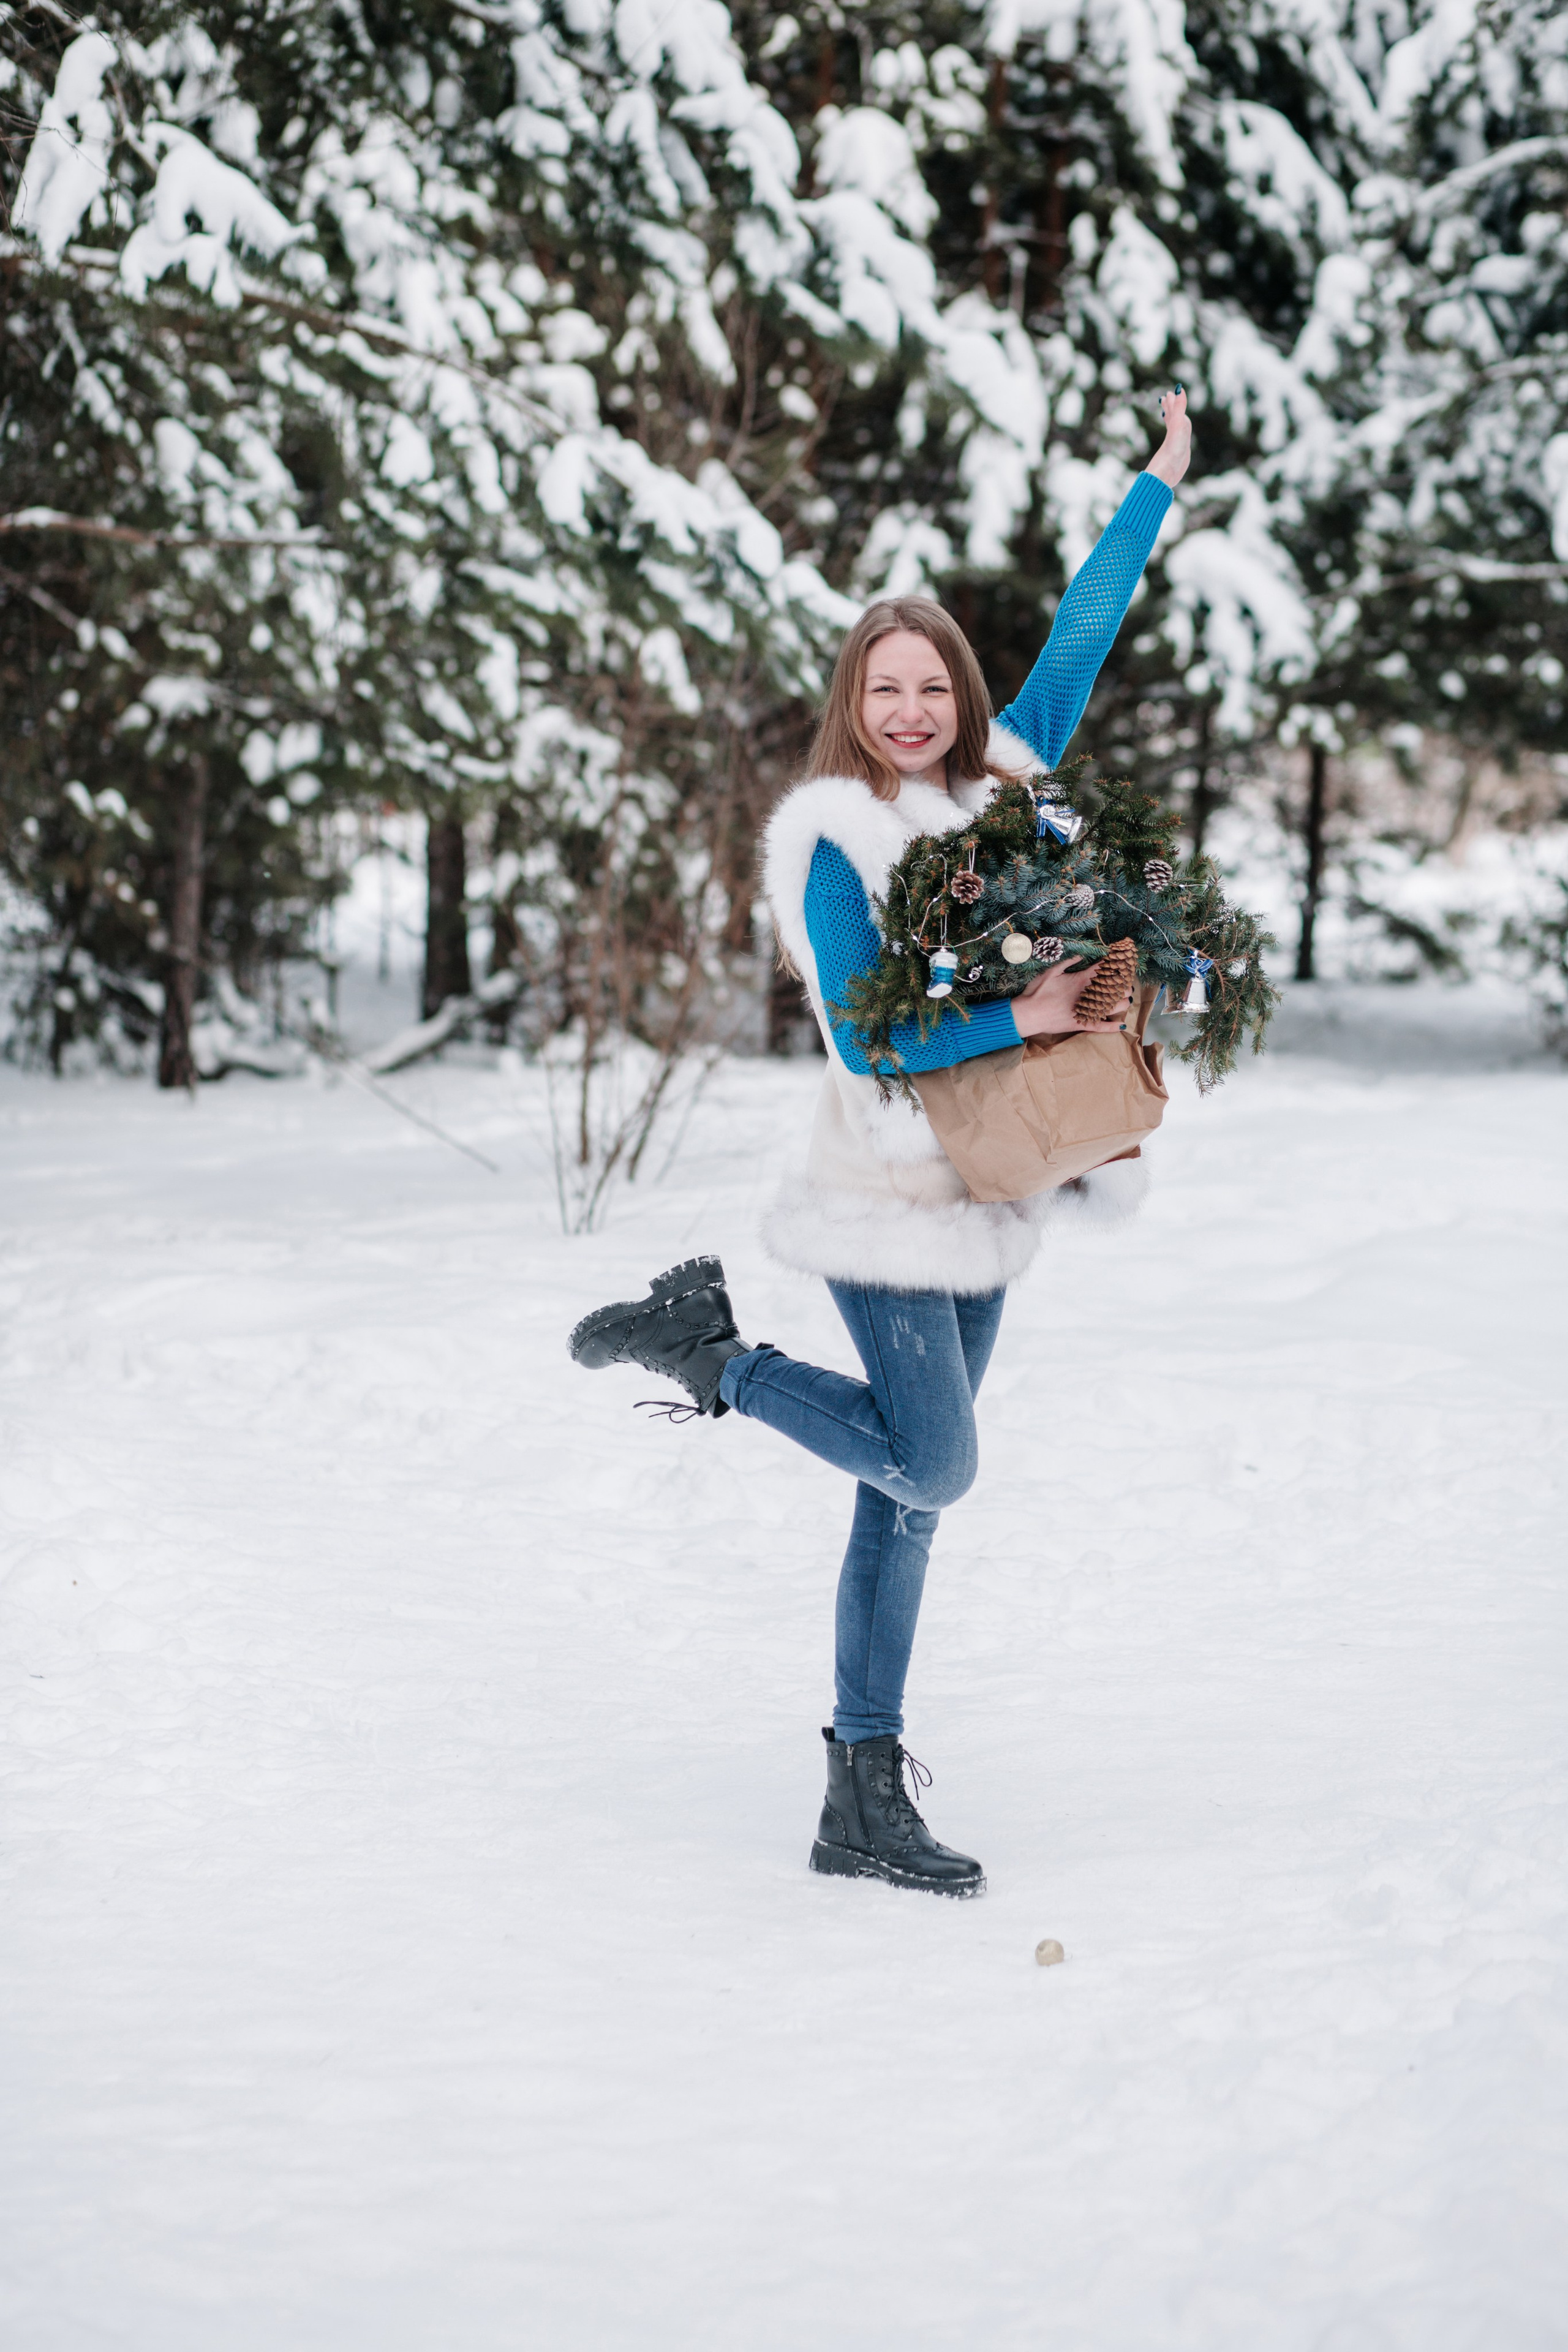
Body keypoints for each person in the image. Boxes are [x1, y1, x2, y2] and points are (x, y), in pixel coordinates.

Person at [570, 390, 1193, 1899]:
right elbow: (865, 1040)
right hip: (881, 1190)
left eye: (932, 686)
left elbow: (1080, 634)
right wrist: (1023, 1007)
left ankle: (859, 1791)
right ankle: (709, 1357)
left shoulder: (1003, 785)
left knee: (904, 1493)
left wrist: (1155, 485)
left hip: (990, 1185)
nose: (911, 709)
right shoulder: (834, 839)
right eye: (886, 687)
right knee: (939, 1462)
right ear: (853, 700)